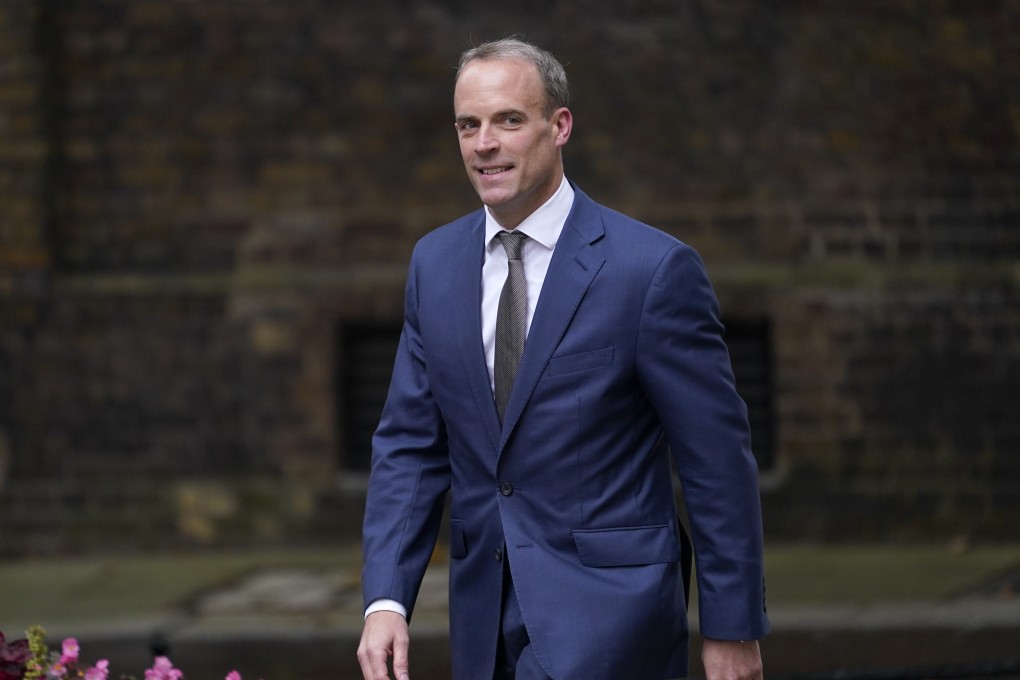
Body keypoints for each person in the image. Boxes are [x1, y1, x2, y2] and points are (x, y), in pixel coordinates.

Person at [357, 37, 769, 680]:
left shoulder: (652, 271)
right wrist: (386, 600)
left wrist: (732, 628)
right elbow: (409, 445)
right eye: (469, 125)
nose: (483, 144)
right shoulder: (433, 266)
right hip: (481, 624)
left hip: (613, 621)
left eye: (508, 121)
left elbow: (716, 460)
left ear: (560, 126)